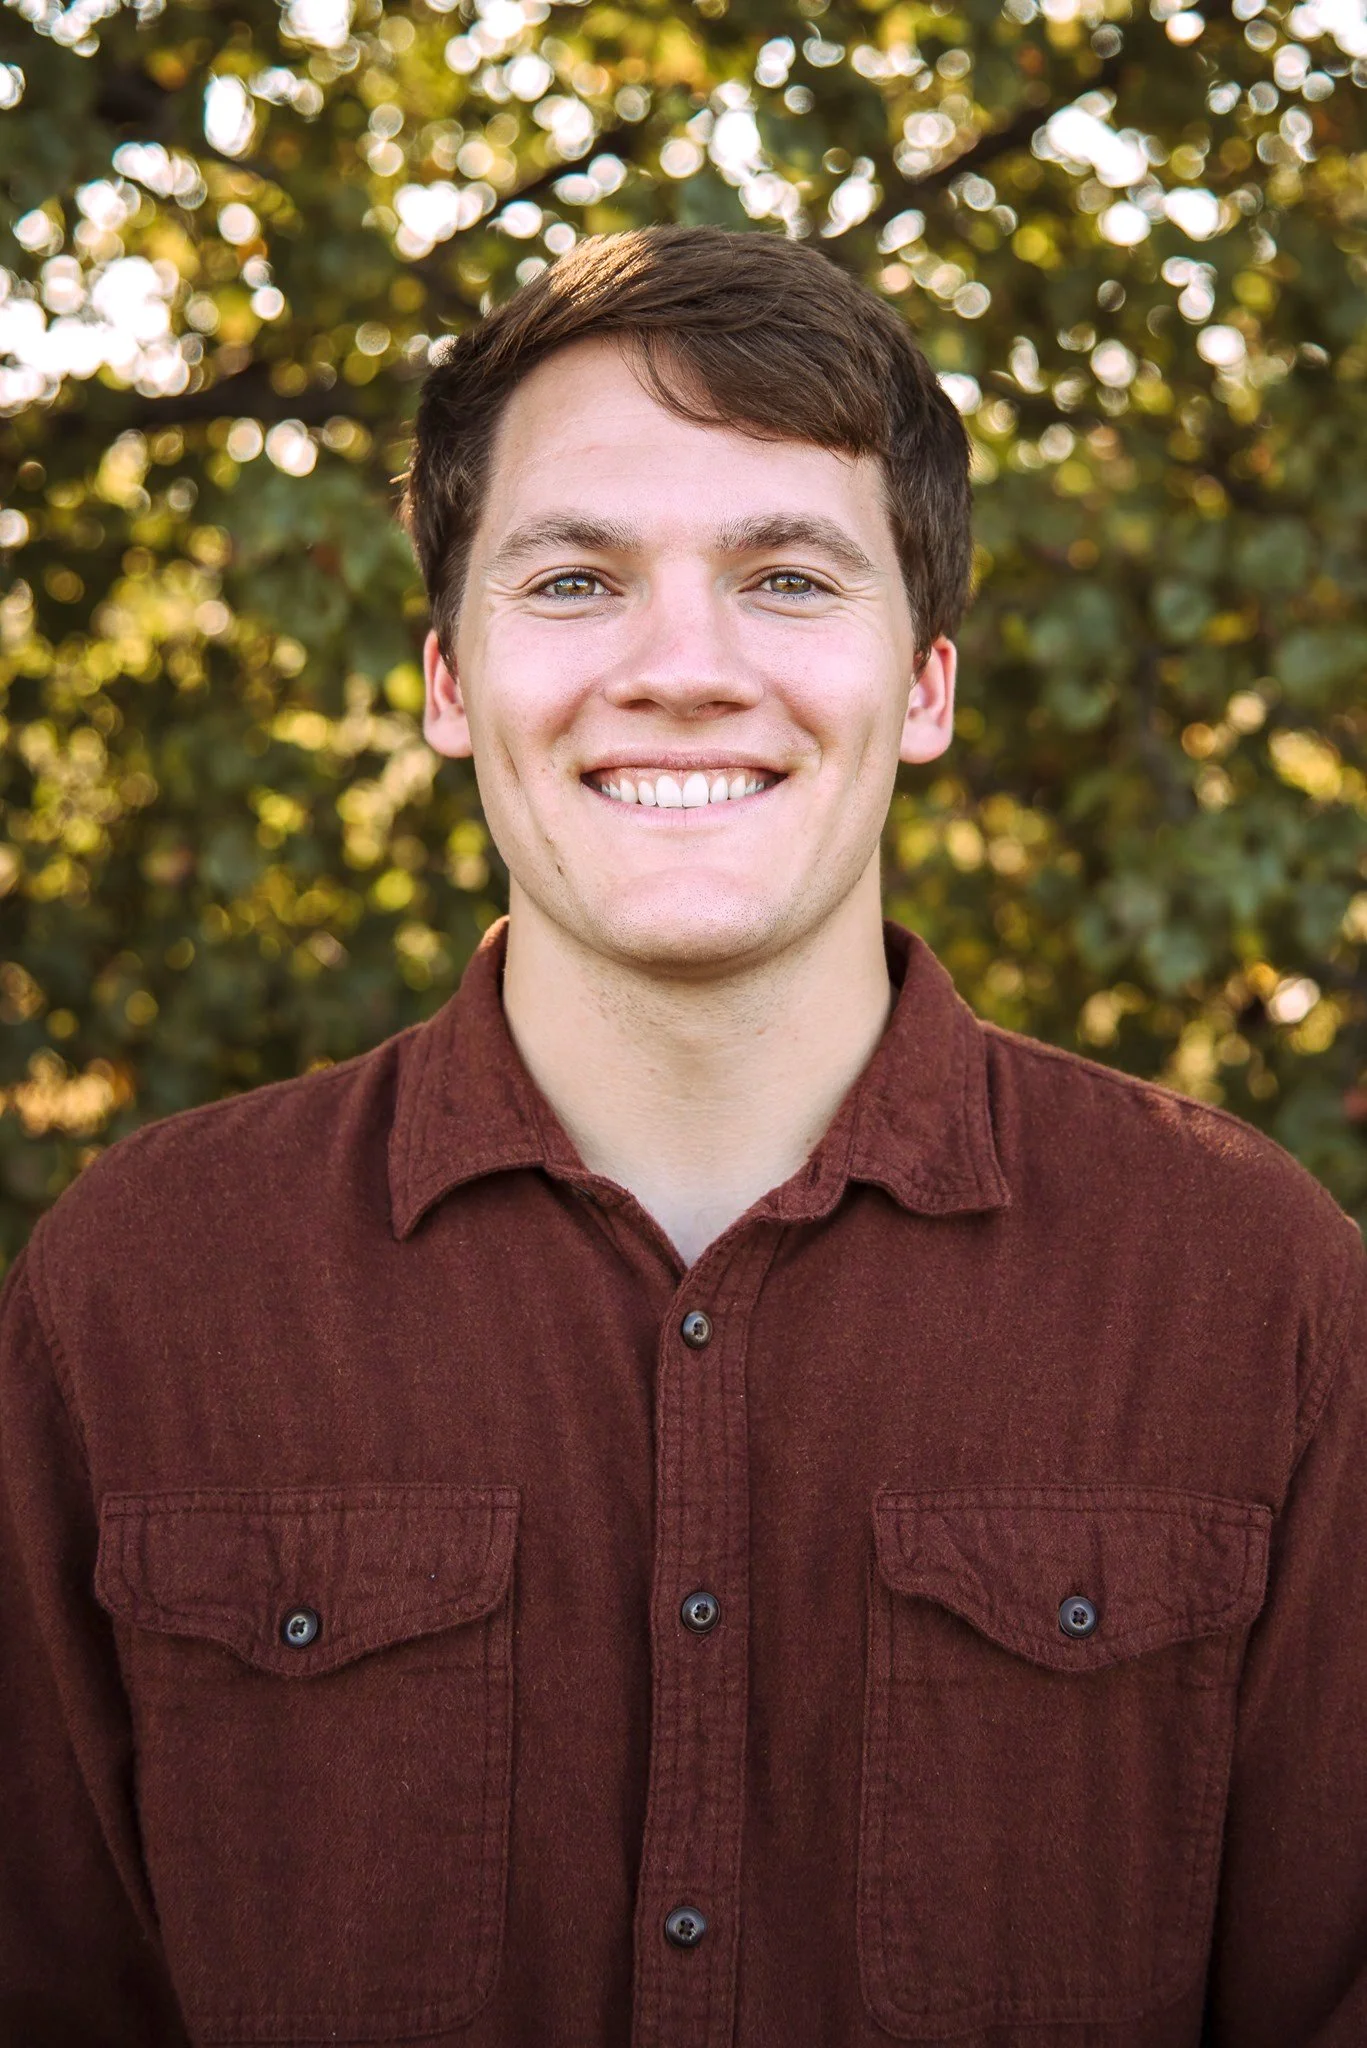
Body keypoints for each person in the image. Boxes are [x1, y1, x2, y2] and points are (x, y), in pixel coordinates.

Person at [1, 225, 1363, 2048]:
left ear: (929, 685)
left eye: (790, 577)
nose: (683, 666)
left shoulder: (1244, 1285)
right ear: (445, 682)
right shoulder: (142, 1291)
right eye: (572, 581)